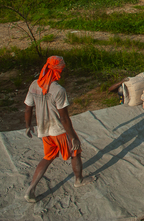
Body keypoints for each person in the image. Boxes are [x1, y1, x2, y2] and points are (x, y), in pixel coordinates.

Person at [23, 56, 95, 202]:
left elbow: (28, 108)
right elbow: (64, 118)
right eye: (62, 69)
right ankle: (78, 180)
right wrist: (74, 137)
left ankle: (31, 189)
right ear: (58, 71)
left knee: (47, 157)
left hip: (43, 131)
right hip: (59, 131)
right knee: (76, 152)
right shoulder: (58, 90)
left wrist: (28, 125)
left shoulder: (34, 85)